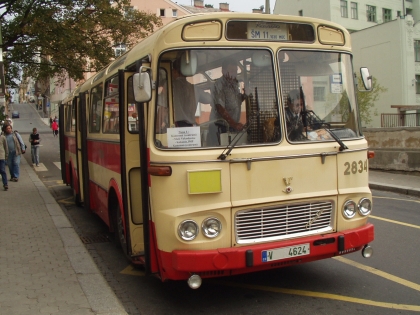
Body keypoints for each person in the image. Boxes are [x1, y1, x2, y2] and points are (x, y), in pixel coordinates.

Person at [207, 58, 247, 146]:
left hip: (231, 126)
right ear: (223, 71)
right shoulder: (219, 85)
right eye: (231, 71)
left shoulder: (234, 84)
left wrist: (245, 95)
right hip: (219, 127)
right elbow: (220, 108)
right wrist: (234, 124)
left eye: (235, 71)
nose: (234, 73)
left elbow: (236, 101)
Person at [172, 59, 212, 127]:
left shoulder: (171, 86)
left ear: (175, 71)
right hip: (191, 126)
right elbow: (209, 99)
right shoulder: (194, 88)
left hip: (176, 126)